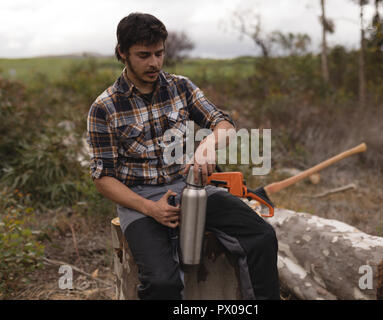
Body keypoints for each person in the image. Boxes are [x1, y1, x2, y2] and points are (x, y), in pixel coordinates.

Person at [87, 12, 279, 300]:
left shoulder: (181, 87)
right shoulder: (104, 108)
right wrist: (149, 208)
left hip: (190, 188)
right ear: (122, 53)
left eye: (159, 53)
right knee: (162, 284)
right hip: (139, 201)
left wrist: (207, 146)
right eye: (143, 55)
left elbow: (223, 123)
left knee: (262, 236)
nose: (154, 63)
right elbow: (103, 179)